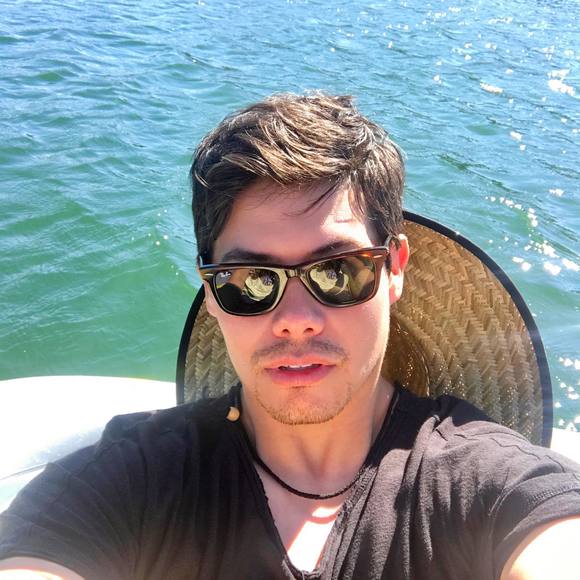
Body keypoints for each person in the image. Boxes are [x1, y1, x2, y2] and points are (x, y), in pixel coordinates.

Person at [1, 92, 579, 580]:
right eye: (251, 280)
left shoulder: (485, 481)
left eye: (338, 271)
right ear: (210, 292)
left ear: (394, 270)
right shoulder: (132, 479)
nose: (295, 319)